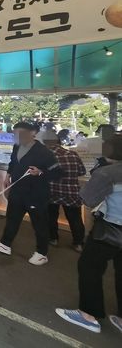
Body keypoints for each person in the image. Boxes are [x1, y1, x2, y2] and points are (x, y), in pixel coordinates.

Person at [55, 135, 122, 335]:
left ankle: (88, 315)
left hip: (111, 229)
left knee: (89, 267)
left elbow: (88, 199)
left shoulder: (107, 173)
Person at [0, 122, 62, 266]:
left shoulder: (44, 152)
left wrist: (40, 172)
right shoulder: (16, 146)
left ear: (32, 133)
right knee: (12, 219)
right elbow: (13, 162)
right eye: (15, 133)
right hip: (17, 191)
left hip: (36, 194)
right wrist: (8, 175)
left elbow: (57, 173)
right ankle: (5, 244)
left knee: (39, 224)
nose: (17, 136)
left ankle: (42, 253)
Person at [40, 130, 87, 252]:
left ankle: (53, 239)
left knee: (51, 217)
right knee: (75, 218)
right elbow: (82, 172)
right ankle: (78, 243)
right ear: (59, 142)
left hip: (51, 192)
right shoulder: (73, 154)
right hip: (71, 192)